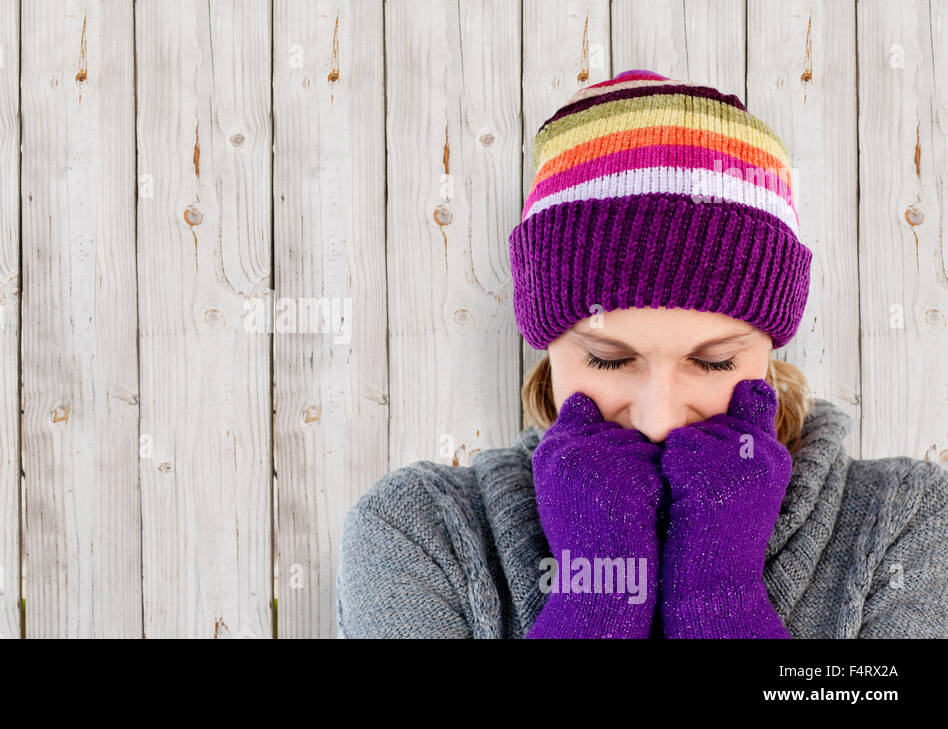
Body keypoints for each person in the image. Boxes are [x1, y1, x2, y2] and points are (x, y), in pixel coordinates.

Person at [335, 69, 948, 638]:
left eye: (712, 363)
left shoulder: (908, 525)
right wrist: (594, 603)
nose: (659, 419)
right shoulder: (418, 533)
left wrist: (720, 600)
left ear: (770, 349)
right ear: (548, 349)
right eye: (608, 359)